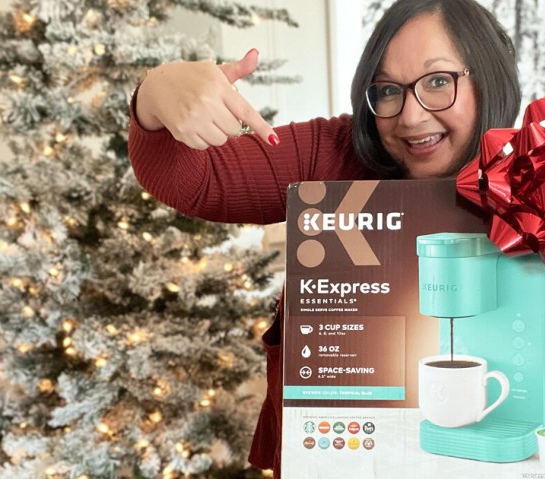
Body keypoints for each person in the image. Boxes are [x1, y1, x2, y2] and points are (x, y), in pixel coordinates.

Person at [128, 0, 521, 475]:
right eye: (388, 90)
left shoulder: (544, 179)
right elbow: (195, 181)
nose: (411, 118)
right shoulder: (331, 159)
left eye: (438, 81)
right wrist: (156, 94)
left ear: (489, 77)